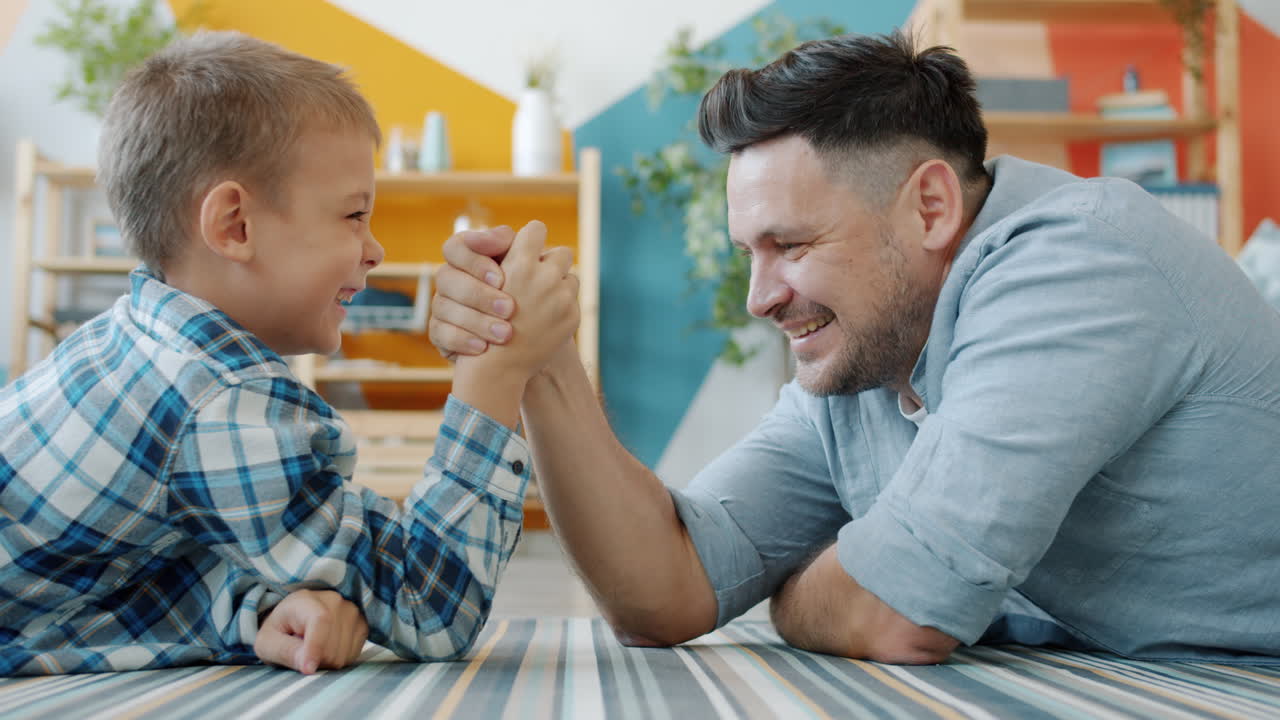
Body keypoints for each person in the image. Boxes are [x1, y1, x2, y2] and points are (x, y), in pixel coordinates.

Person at [428, 31, 1280, 664]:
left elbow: (899, 615)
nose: (761, 297)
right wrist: (539, 356)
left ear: (931, 208)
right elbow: (667, 588)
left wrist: (795, 593)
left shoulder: (1078, 262)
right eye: (750, 254)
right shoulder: (868, 355)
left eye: (792, 246)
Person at [0, 31, 579, 676]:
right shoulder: (222, 400)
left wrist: (252, 611)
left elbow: (90, 590)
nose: (375, 250)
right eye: (354, 215)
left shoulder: (139, 335)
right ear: (235, 227)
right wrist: (493, 372)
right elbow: (428, 603)